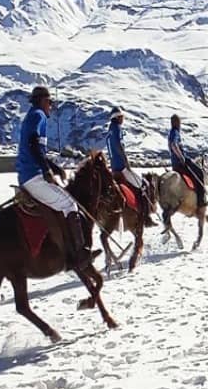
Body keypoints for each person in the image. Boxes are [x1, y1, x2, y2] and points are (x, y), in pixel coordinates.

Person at [15, 86, 95, 270]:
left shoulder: (32, 115)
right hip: (33, 177)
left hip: (29, 175)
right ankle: (80, 254)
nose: (50, 106)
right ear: (43, 101)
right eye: (50, 102)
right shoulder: (38, 115)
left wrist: (54, 167)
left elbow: (38, 150)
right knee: (70, 204)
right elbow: (33, 145)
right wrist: (46, 171)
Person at [106, 106, 155, 226]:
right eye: (121, 116)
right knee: (144, 184)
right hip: (122, 167)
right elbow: (119, 146)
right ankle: (146, 216)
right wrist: (126, 161)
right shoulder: (117, 128)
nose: (123, 118)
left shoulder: (109, 130)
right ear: (117, 117)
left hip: (113, 168)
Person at [168, 114, 206, 208]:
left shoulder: (171, 133)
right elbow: (173, 145)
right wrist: (181, 157)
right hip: (180, 162)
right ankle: (201, 201)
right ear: (176, 123)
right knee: (199, 173)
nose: (180, 124)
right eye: (179, 122)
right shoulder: (175, 133)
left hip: (174, 163)